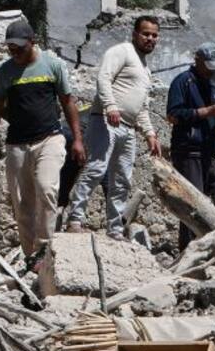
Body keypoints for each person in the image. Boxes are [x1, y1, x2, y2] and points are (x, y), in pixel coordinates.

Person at [0, 19, 85, 273]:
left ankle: (46, 248)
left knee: (47, 189)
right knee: (22, 202)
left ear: (32, 42)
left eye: (19, 48)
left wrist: (78, 139)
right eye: (10, 49)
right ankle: (31, 255)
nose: (14, 53)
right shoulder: (5, 73)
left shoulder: (53, 65)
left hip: (49, 139)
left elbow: (68, 102)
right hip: (17, 144)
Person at [65, 16, 162, 238]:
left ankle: (115, 228)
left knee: (122, 179)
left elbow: (142, 107)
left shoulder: (145, 69)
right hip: (105, 121)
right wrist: (110, 106)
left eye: (154, 35)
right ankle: (75, 218)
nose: (150, 39)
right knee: (96, 168)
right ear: (135, 34)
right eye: (146, 34)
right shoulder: (122, 51)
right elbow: (103, 78)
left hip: (128, 128)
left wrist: (150, 134)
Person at [166, 43, 215, 249]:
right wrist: (207, 111)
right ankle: (187, 249)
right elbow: (174, 115)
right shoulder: (183, 82)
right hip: (189, 151)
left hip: (210, 152)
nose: (212, 71)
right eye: (208, 66)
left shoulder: (213, 87)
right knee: (192, 205)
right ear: (197, 60)